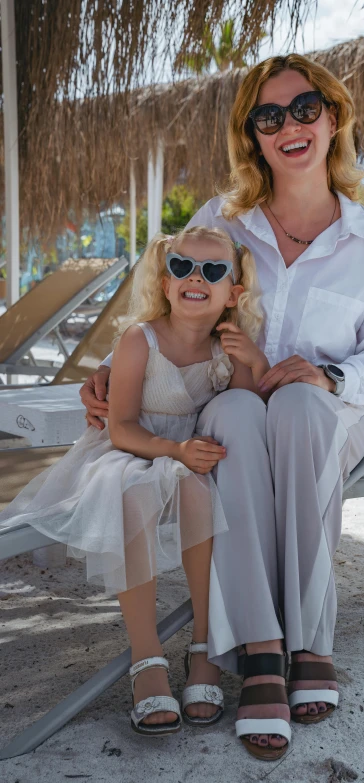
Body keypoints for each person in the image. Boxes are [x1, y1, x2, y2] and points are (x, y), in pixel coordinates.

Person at [80, 53, 364, 760]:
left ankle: (311, 641)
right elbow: (174, 311)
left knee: (294, 408)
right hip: (232, 405)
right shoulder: (221, 221)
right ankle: (264, 648)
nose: (288, 125)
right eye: (269, 116)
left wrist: (325, 373)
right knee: (234, 416)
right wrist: (114, 370)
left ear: (332, 118)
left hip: (326, 415)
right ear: (253, 135)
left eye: (303, 109)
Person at [0, 225, 269, 736]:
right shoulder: (138, 340)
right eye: (182, 267)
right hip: (129, 452)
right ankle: (146, 658)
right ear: (165, 282)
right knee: (134, 491)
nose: (196, 278)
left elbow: (245, 407)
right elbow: (120, 426)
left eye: (213, 271)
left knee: (196, 488)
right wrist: (173, 451)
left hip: (186, 458)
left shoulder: (227, 348)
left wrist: (254, 362)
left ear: (233, 293)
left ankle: (205, 645)